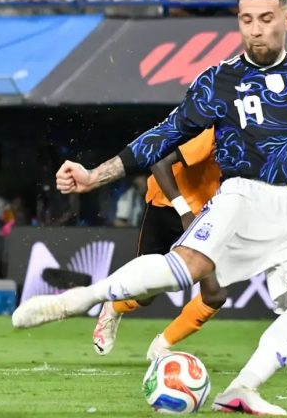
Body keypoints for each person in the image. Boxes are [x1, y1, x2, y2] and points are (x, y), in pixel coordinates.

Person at [12, 0, 287, 415]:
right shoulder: (219, 80)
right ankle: (81, 299)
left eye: (266, 19)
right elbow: (164, 136)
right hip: (242, 198)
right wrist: (95, 175)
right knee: (183, 271)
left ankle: (243, 389)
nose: (255, 29)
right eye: (246, 20)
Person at [93, 128, 228, 360]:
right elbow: (159, 163)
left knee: (214, 295)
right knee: (145, 293)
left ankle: (161, 346)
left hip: (205, 217)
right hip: (166, 207)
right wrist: (184, 211)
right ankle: (113, 308)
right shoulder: (211, 134)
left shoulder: (255, 138)